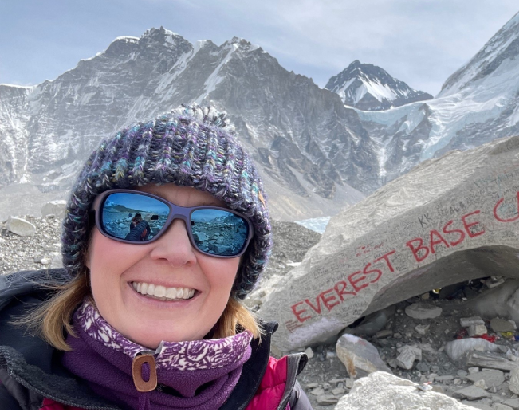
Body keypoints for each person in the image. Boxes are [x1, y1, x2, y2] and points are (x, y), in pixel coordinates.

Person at [0, 106, 313, 410]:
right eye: (138, 209)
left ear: (239, 268)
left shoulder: (281, 397)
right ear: (86, 246)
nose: (176, 253)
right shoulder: (9, 386)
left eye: (218, 228)